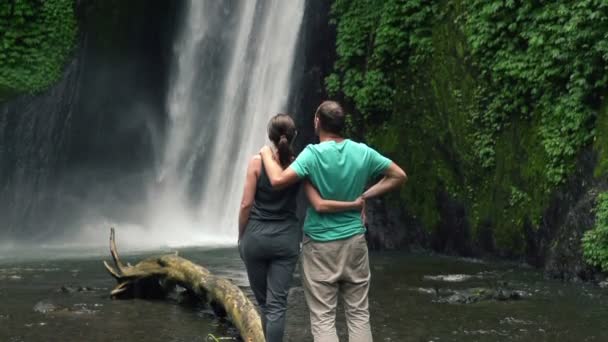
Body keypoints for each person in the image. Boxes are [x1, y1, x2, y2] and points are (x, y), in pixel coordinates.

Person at [259, 101, 407, 342]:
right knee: (359, 314)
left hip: (319, 245)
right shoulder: (363, 152)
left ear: (317, 122)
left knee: (323, 317)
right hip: (355, 242)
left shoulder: (312, 155)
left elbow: (277, 181)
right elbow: (399, 175)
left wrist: (265, 153)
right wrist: (364, 196)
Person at [238, 113, 364, 342]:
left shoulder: (256, 162)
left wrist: (241, 236)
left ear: (270, 136)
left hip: (255, 238)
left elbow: (246, 204)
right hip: (286, 240)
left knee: (264, 303)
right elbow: (319, 198)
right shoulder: (300, 165)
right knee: (277, 305)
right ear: (294, 136)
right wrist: (355, 203)